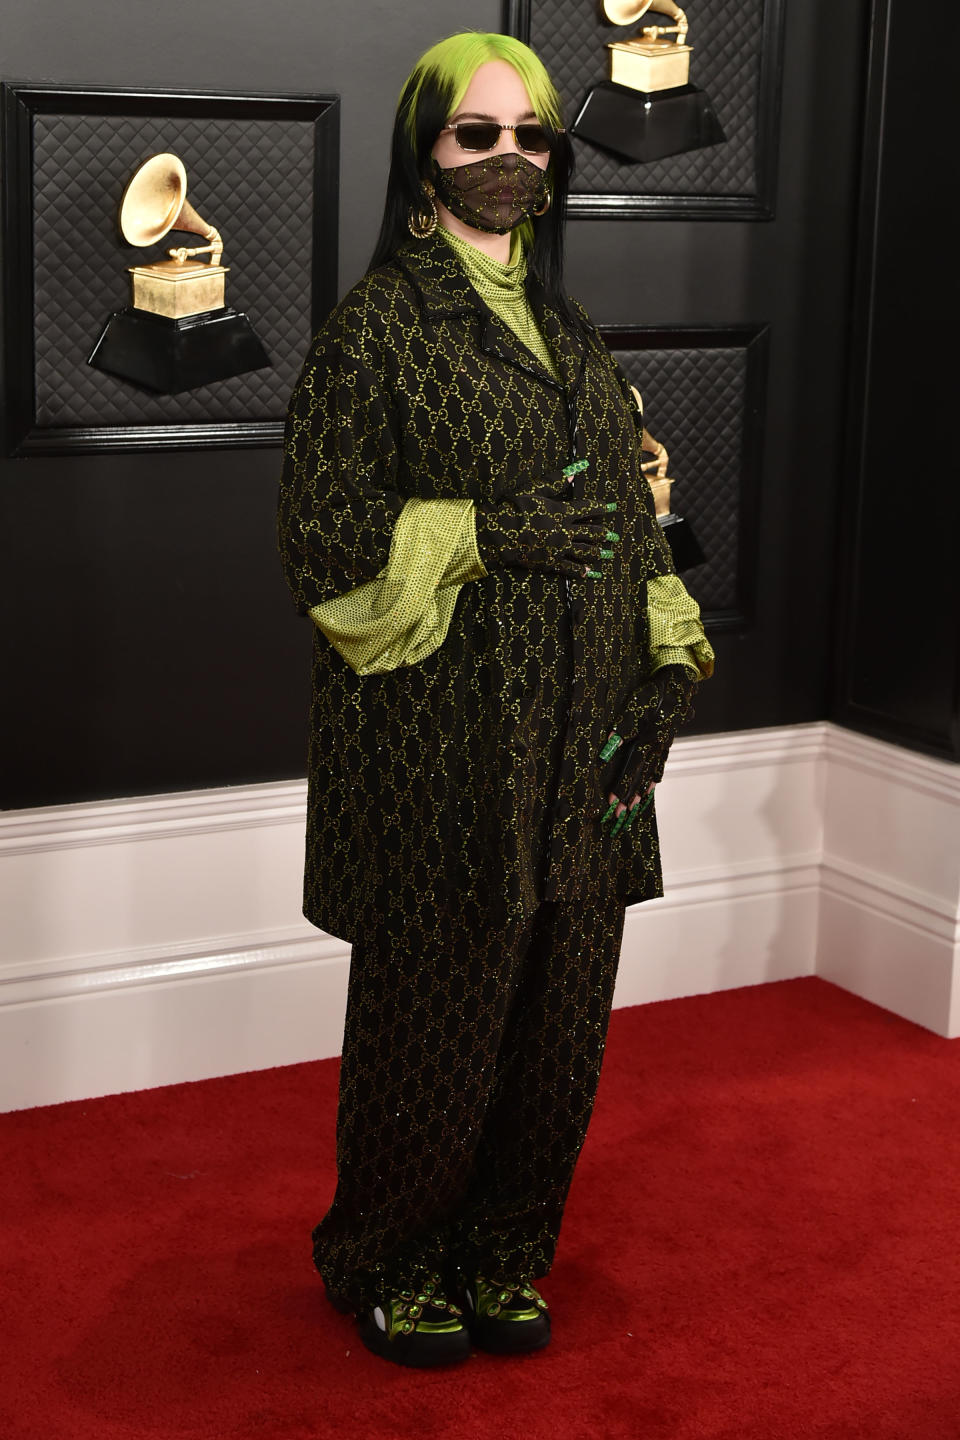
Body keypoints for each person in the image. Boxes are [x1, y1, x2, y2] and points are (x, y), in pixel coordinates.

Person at [277, 30, 714, 1369]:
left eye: (533, 135)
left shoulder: (571, 329)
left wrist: (664, 673)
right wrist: (481, 532)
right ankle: (392, 1258)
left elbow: (640, 518)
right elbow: (324, 539)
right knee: (436, 1030)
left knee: (557, 1034)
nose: (512, 157)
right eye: (479, 135)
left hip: (585, 747)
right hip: (440, 754)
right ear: (424, 156)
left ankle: (503, 1251)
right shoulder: (374, 335)